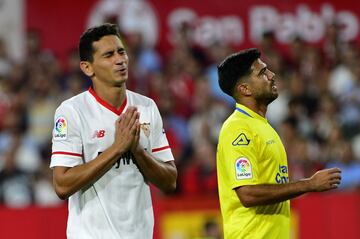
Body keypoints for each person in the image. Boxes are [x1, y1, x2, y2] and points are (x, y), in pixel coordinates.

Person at [50, 23, 177, 239]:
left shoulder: (146, 107)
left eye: (121, 51)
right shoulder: (72, 112)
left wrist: (137, 150)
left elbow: (170, 181)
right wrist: (117, 149)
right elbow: (62, 185)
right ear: (87, 67)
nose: (120, 60)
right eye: (109, 55)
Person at [216, 48, 341, 239]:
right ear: (245, 89)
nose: (272, 75)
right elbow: (247, 193)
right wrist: (309, 184)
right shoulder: (238, 129)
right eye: (262, 72)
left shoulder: (263, 126)